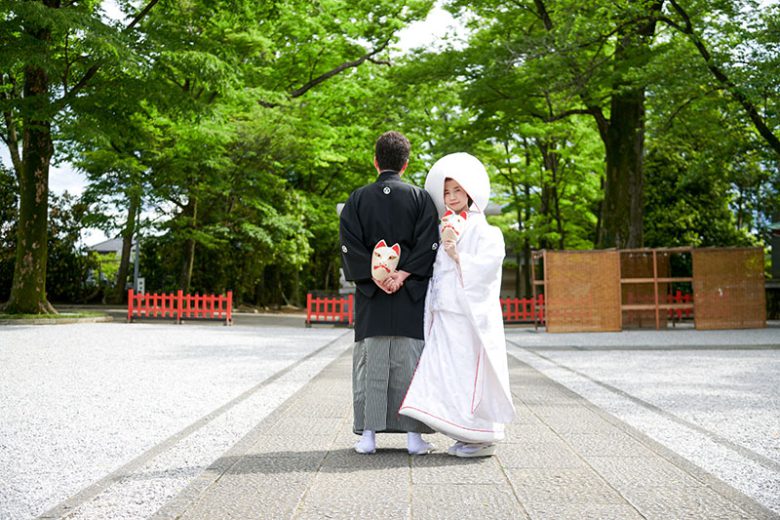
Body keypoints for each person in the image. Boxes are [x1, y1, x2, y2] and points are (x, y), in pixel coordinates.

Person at [399, 152, 515, 458]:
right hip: (446, 311)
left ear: (470, 193)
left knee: (466, 375)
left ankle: (479, 435)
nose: (451, 197)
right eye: (447, 192)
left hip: (468, 315)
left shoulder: (484, 230)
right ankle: (462, 431)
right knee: (443, 372)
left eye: (457, 191)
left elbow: (487, 268)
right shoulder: (446, 224)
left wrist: (456, 254)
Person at [339, 131, 440, 455]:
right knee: (410, 360)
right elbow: (429, 243)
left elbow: (349, 245)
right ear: (406, 164)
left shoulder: (358, 198)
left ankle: (368, 435)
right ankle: (414, 437)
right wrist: (403, 273)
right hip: (410, 295)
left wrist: (377, 277)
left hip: (372, 297)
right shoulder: (420, 198)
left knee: (371, 362)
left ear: (375, 161)